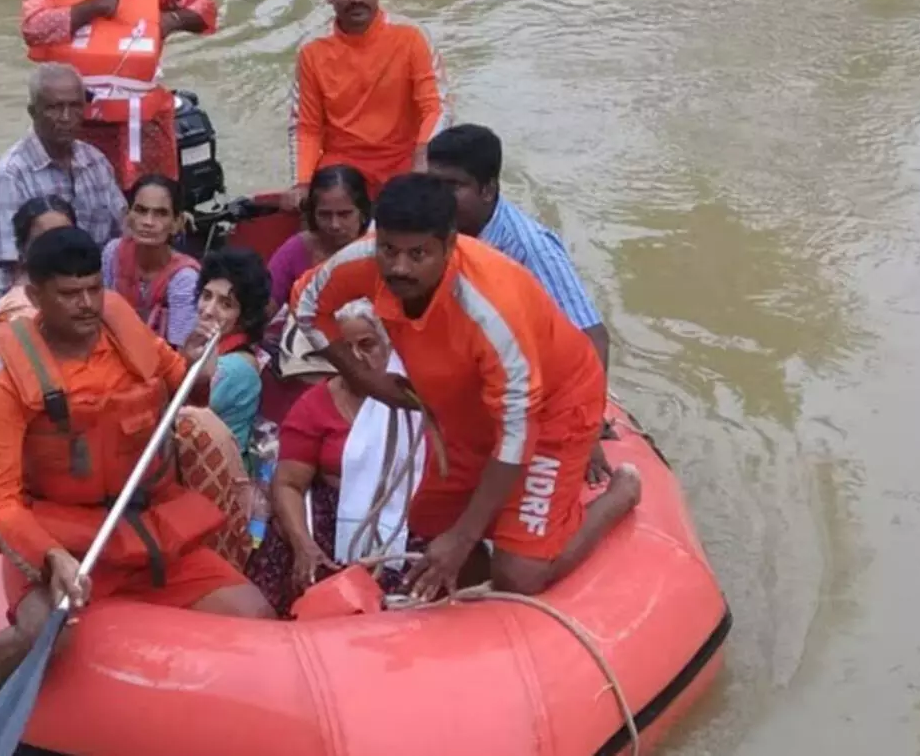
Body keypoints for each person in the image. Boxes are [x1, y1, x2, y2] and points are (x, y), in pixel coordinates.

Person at [0, 227, 274, 753]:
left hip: (142, 526)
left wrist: (201, 367)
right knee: (44, 629)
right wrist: (51, 559)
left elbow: (184, 391)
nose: (87, 305)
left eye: (93, 288)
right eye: (69, 294)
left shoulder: (129, 336)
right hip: (62, 538)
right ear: (38, 296)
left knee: (255, 614)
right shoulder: (5, 382)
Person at [293, 174, 642, 599]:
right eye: (389, 250)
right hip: (463, 399)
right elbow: (308, 306)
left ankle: (620, 494)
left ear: (450, 244)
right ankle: (475, 604)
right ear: (376, 238)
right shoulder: (360, 261)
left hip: (552, 403)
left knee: (519, 576)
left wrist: (463, 537)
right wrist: (363, 378)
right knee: (429, 524)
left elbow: (516, 435)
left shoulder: (492, 313)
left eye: (418, 254)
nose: (399, 267)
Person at [425, 124, 613, 483]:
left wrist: (586, 429)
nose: (439, 197)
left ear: (488, 190)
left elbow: (593, 335)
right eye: (434, 183)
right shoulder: (435, 229)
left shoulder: (530, 248)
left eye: (453, 186)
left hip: (532, 381)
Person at [21, 0, 219, 188]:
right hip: (73, 122)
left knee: (149, 205)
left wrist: (168, 21)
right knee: (77, 205)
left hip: (142, 124)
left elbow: (205, 8)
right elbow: (32, 28)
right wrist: (94, 7)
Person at [245, 299, 427, 616]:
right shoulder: (314, 406)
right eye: (345, 348)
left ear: (390, 345)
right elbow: (287, 484)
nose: (356, 357)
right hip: (329, 537)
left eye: (367, 345)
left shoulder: (420, 403)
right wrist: (304, 547)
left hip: (404, 534)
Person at [284, 0, 448, 210]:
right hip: (343, 170)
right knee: (318, 223)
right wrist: (301, 184)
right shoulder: (312, 51)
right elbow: (307, 128)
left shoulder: (412, 36)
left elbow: (436, 107)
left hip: (405, 164)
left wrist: (422, 157)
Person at [0, 64, 128, 292]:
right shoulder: (11, 175)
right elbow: (12, 266)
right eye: (54, 108)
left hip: (95, 287)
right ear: (33, 112)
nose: (66, 117)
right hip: (42, 294)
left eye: (74, 107)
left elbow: (122, 232)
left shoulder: (96, 162)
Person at [193, 248, 272, 465]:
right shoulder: (209, 350)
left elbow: (179, 411)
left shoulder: (236, 368)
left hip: (218, 482)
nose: (208, 310)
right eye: (206, 296)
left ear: (246, 317)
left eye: (225, 304)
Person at [101, 175, 199, 346]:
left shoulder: (184, 278)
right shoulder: (113, 253)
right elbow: (102, 318)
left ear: (177, 222)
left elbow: (181, 351)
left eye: (161, 214)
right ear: (127, 215)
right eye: (140, 210)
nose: (148, 222)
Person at [0, 194, 76, 362]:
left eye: (64, 236)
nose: (56, 247)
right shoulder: (17, 313)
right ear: (22, 249)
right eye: (43, 240)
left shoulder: (86, 292)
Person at [267, 164, 371, 309]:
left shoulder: (379, 248)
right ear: (313, 214)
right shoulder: (296, 249)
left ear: (363, 213)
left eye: (344, 214)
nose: (335, 225)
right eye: (325, 215)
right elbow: (265, 306)